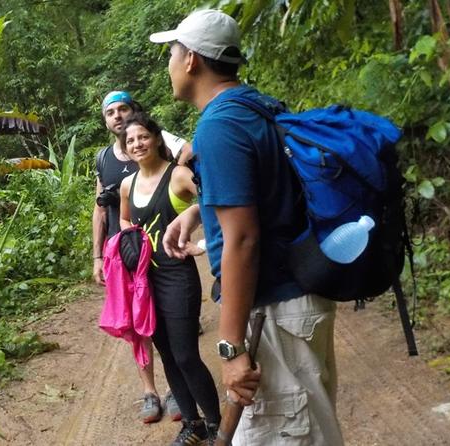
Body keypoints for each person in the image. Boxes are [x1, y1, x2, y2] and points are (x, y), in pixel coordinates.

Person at [151, 9, 345, 446]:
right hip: (293, 304)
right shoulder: (256, 107)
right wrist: (200, 211)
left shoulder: (221, 126)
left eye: (172, 52)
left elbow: (243, 239)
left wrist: (230, 347)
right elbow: (266, 195)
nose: (169, 63)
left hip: (274, 312)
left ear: (191, 60)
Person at [119, 112, 221, 445]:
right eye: (130, 140)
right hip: (145, 283)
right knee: (166, 353)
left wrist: (203, 242)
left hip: (178, 277)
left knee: (186, 354)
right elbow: (123, 219)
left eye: (143, 137)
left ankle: (218, 425)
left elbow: (213, 200)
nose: (137, 143)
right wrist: (131, 241)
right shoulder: (127, 184)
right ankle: (192, 424)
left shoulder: (177, 176)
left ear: (157, 139)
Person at [92, 90, 185, 423]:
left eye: (122, 109)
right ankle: (150, 391)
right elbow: (99, 210)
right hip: (124, 253)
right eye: (110, 112)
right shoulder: (104, 158)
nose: (117, 116)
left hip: (159, 249)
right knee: (135, 324)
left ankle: (177, 388)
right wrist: (98, 257)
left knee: (162, 318)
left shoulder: (146, 144)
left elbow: (182, 162)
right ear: (105, 121)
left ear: (133, 112)